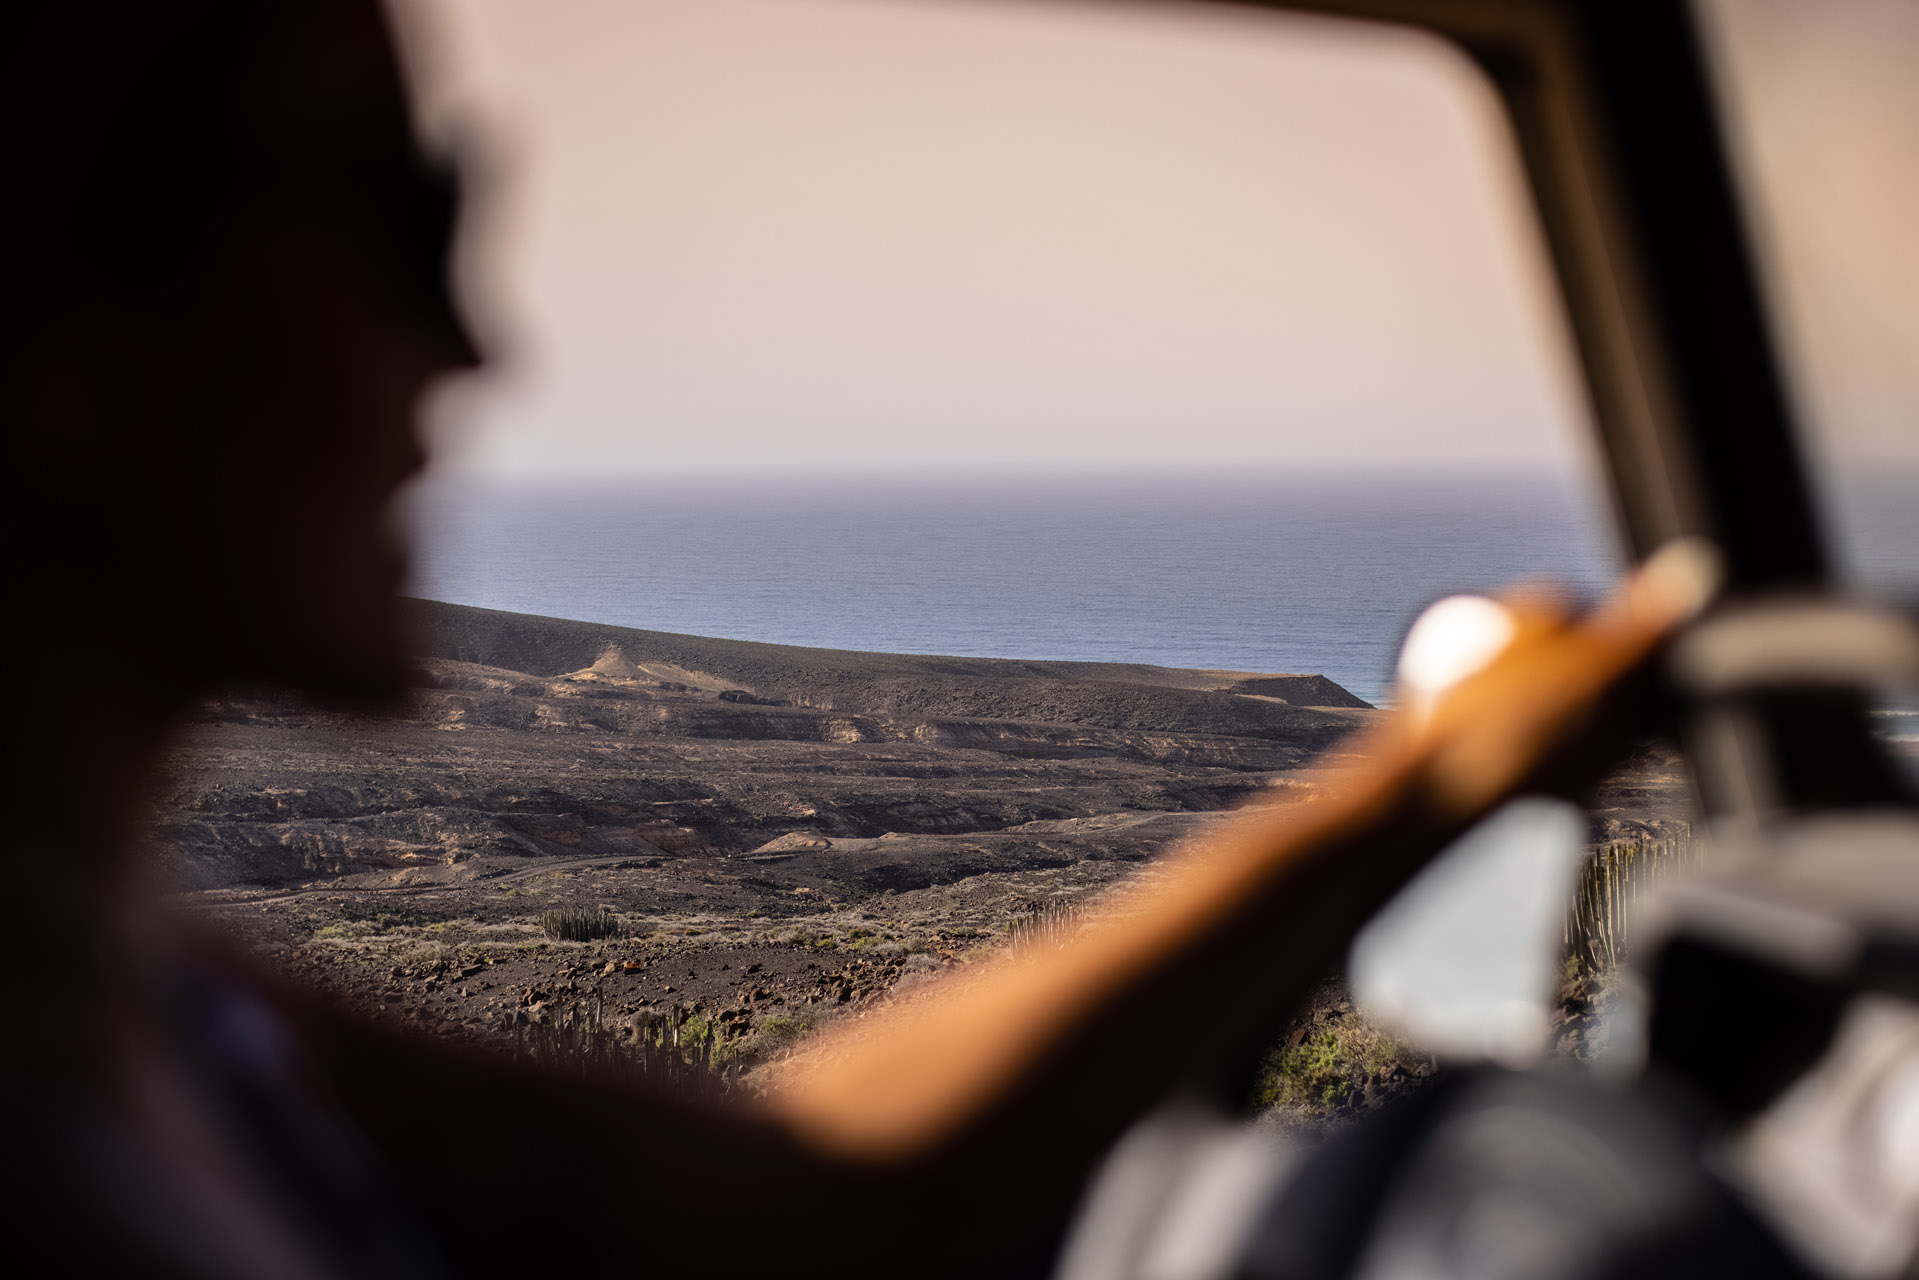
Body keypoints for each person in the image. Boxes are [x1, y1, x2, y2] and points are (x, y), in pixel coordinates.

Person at [0, 1, 1707, 1274]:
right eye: (393, 212)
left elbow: (811, 1201)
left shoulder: (145, 998)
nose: (465, 343)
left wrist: (1428, 779)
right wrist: (1424, 779)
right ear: (58, 289)